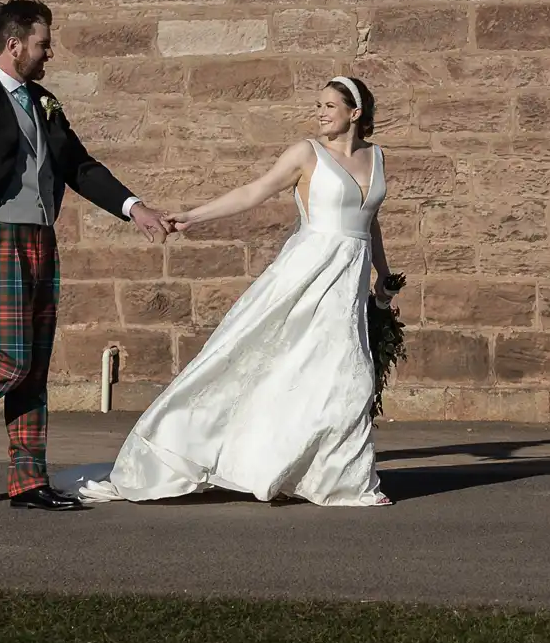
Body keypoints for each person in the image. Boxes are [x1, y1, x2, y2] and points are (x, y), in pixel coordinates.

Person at [64, 77, 395, 507]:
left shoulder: (378, 158)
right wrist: (193, 217)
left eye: (330, 106)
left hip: (347, 282)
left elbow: (369, 221)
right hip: (305, 274)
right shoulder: (306, 154)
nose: (320, 113)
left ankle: (337, 479)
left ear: (355, 114)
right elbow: (254, 191)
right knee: (257, 360)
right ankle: (185, 444)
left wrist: (383, 276)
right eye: (318, 105)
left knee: (348, 375)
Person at [0, 0, 171, 512]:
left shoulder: (45, 102)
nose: (48, 53)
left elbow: (79, 165)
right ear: (15, 45)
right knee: (10, 359)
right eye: (42, 44)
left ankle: (28, 483)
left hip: (41, 241)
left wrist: (133, 207)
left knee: (34, 368)